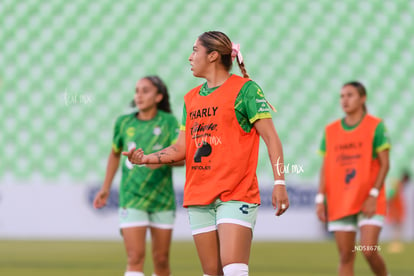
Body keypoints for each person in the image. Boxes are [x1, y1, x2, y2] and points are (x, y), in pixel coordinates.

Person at [123, 31, 289, 276]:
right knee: (212, 272)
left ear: (212, 56)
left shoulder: (246, 90)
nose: (190, 57)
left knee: (233, 268)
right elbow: (181, 149)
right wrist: (146, 158)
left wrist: (279, 181)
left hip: (236, 194)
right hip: (199, 196)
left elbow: (271, 138)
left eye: (194, 51)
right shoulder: (190, 99)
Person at [93, 76, 181, 276]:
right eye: (137, 90)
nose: (139, 95)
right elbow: (115, 154)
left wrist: (155, 160)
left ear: (159, 96)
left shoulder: (169, 122)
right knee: (135, 257)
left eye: (145, 90)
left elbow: (182, 158)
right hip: (132, 197)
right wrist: (105, 187)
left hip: (162, 199)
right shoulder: (123, 122)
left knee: (161, 259)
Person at [316, 81, 391, 276]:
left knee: (368, 249)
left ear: (362, 98)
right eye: (342, 96)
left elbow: (385, 163)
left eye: (350, 95)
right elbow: (325, 167)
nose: (345, 100)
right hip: (340, 200)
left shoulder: (376, 126)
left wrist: (374, 195)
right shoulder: (331, 130)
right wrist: (320, 198)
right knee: (346, 257)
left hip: (369, 200)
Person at [386, 170, 411, 253]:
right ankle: (395, 245)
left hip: (397, 207)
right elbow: (392, 193)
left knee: (398, 227)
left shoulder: (399, 184)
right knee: (396, 227)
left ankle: (396, 244)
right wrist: (390, 201)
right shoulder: (397, 183)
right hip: (396, 208)